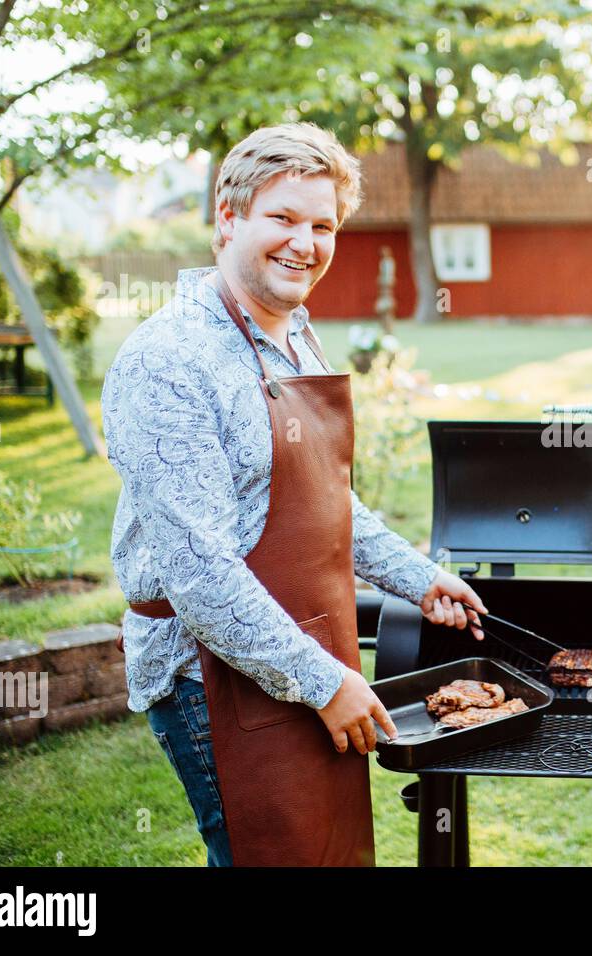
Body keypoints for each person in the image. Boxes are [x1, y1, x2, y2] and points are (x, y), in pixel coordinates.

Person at [101, 122, 485, 866]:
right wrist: (325, 682)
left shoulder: (294, 334)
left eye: (322, 224)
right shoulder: (167, 360)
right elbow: (200, 574)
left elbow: (326, 497)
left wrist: (421, 577)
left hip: (312, 653)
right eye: (282, 218)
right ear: (227, 217)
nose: (304, 243)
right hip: (214, 678)